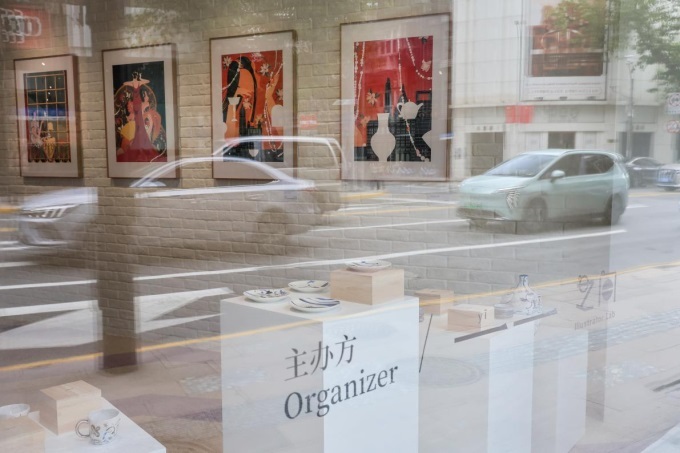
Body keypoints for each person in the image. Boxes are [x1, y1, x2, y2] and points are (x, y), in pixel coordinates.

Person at [116, 72, 161, 162]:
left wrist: (145, 99)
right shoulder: (133, 84)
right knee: (138, 129)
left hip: (138, 110)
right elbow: (126, 84)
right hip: (137, 109)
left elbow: (145, 84)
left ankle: (141, 146)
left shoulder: (138, 86)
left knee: (140, 128)